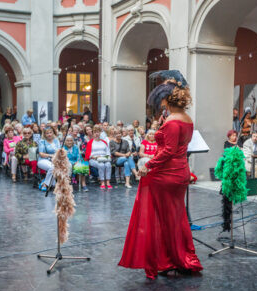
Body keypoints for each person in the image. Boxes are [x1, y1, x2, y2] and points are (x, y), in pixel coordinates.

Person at [119, 71, 203, 280]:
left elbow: (168, 151)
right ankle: (177, 257)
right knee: (175, 218)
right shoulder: (186, 119)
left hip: (167, 175)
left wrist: (148, 165)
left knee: (162, 218)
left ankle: (168, 259)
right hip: (179, 172)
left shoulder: (173, 122)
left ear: (166, 99)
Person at [85, 125, 112, 190]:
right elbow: (87, 155)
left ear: (100, 133)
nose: (97, 134)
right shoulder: (90, 143)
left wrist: (105, 157)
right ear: (93, 133)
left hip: (104, 158)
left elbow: (108, 153)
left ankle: (108, 182)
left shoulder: (104, 142)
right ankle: (102, 182)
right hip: (94, 159)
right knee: (101, 165)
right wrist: (94, 157)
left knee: (108, 165)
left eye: (98, 132)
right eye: (95, 132)